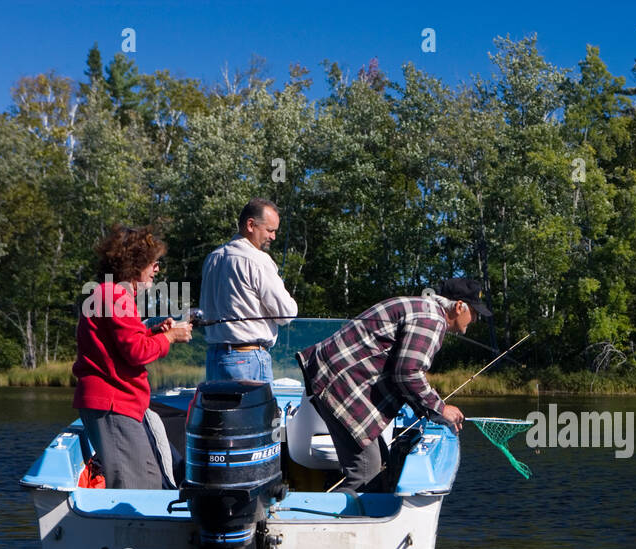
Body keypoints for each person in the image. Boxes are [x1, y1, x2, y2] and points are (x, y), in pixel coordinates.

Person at [296, 278, 490, 492]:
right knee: (365, 473)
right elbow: (408, 372)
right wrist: (441, 408)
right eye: (475, 312)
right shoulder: (431, 319)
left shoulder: (423, 309)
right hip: (341, 386)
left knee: (378, 466)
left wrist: (432, 410)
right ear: (459, 306)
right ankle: (335, 524)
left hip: (334, 380)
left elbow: (403, 371)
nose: (475, 319)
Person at [73, 225, 193, 489]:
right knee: (136, 484)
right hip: (113, 405)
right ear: (134, 263)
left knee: (146, 479)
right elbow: (136, 352)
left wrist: (155, 332)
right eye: (153, 263)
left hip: (116, 405)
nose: (157, 269)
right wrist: (170, 337)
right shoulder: (115, 295)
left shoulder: (108, 293)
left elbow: (121, 345)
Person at [200, 198, 298, 383]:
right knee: (255, 412)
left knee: (219, 412)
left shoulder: (212, 258)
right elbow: (286, 314)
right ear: (251, 225)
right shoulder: (257, 260)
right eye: (270, 230)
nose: (273, 237)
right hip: (247, 359)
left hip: (214, 358)